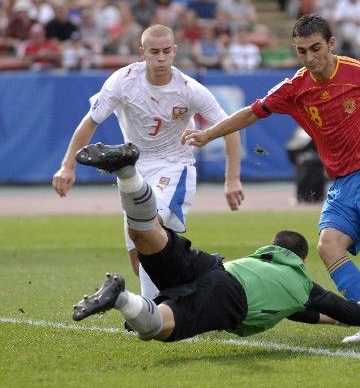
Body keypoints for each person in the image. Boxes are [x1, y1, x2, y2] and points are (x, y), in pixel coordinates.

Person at [181, 13, 360, 342]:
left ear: (331, 44)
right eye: (302, 51)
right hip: (342, 181)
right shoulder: (294, 87)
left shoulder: (358, 73)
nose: (309, 57)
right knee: (329, 246)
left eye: (315, 48)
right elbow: (251, 111)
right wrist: (208, 135)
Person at [71, 142, 360, 342]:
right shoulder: (301, 284)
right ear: (300, 261)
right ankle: (120, 297)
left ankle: (127, 173)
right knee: (158, 329)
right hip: (229, 297)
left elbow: (314, 315)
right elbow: (345, 310)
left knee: (148, 236)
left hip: (215, 266)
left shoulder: (263, 263)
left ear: (274, 248)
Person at [52, 24, 244, 302]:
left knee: (148, 225)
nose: (162, 58)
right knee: (138, 251)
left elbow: (230, 128)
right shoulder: (123, 81)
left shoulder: (189, 89)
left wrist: (232, 179)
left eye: (167, 51)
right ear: (142, 52)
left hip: (174, 165)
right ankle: (198, 282)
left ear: (175, 51)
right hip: (133, 170)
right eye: (155, 52)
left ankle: (149, 308)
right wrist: (67, 165)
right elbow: (90, 122)